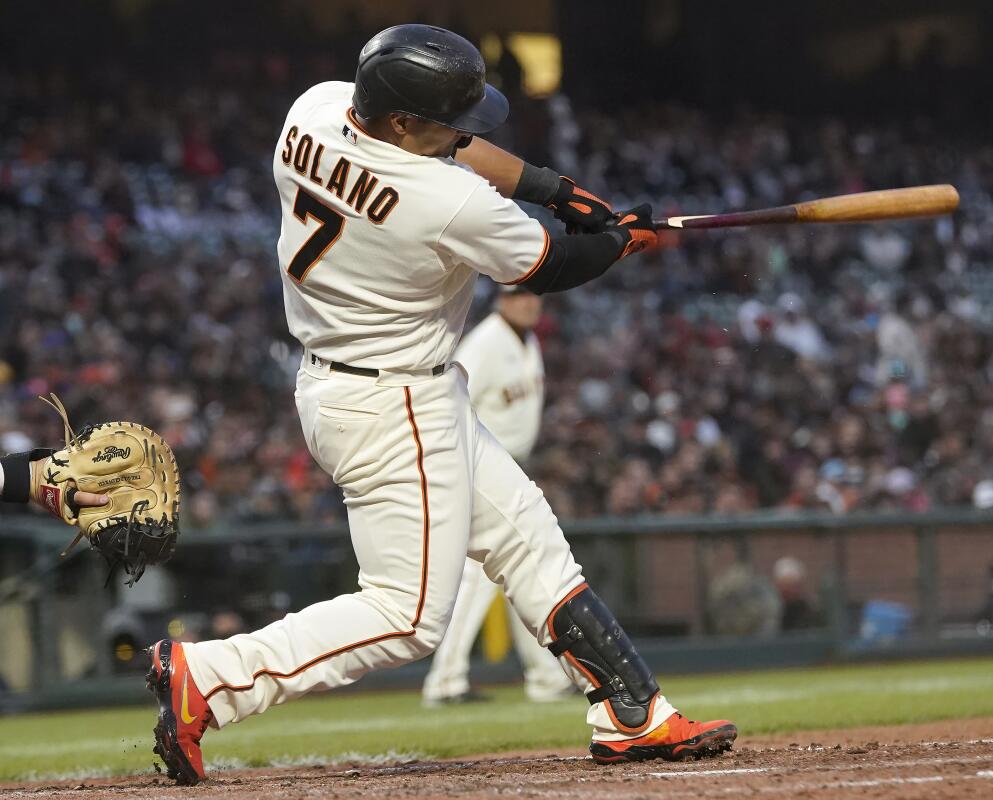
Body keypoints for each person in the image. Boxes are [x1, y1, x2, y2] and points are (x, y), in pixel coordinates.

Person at [145, 24, 736, 785]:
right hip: (393, 401)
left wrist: (559, 192)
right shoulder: (444, 201)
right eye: (446, 122)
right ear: (400, 122)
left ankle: (631, 711)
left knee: (526, 533)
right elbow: (548, 267)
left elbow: (455, 154)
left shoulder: (316, 109)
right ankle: (214, 679)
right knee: (408, 616)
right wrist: (621, 240)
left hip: (355, 380)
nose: (462, 133)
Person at [422, 284, 576, 706]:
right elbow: (446, 399)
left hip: (507, 464)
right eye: (517, 295)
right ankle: (446, 681)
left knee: (522, 566)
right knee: (477, 578)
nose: (527, 300)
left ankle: (546, 676)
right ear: (501, 300)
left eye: (532, 294)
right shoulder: (486, 341)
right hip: (474, 465)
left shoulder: (528, 340)